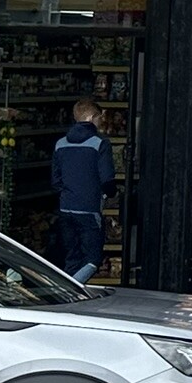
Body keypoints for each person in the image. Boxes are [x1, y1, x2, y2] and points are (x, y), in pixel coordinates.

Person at [51, 98, 117, 284]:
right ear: (91, 117)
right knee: (92, 259)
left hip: (66, 208)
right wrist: (109, 194)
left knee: (72, 257)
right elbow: (107, 179)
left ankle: (68, 288)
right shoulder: (100, 144)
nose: (101, 121)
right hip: (89, 208)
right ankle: (70, 289)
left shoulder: (60, 144)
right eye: (100, 118)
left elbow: (55, 181)